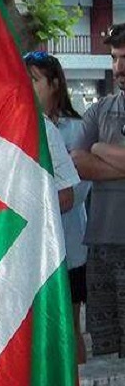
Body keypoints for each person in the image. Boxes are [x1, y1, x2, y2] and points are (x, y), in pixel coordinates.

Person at [25, 50, 89, 363]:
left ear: (53, 84)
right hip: (32, 249)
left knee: (70, 326)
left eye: (34, 80)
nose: (27, 87)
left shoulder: (75, 129)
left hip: (70, 242)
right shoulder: (21, 127)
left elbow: (76, 190)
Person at [72, 22, 125, 358]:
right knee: (107, 348)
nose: (120, 67)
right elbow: (78, 161)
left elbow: (90, 155)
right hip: (102, 243)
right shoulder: (98, 110)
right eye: (115, 58)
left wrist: (101, 150)